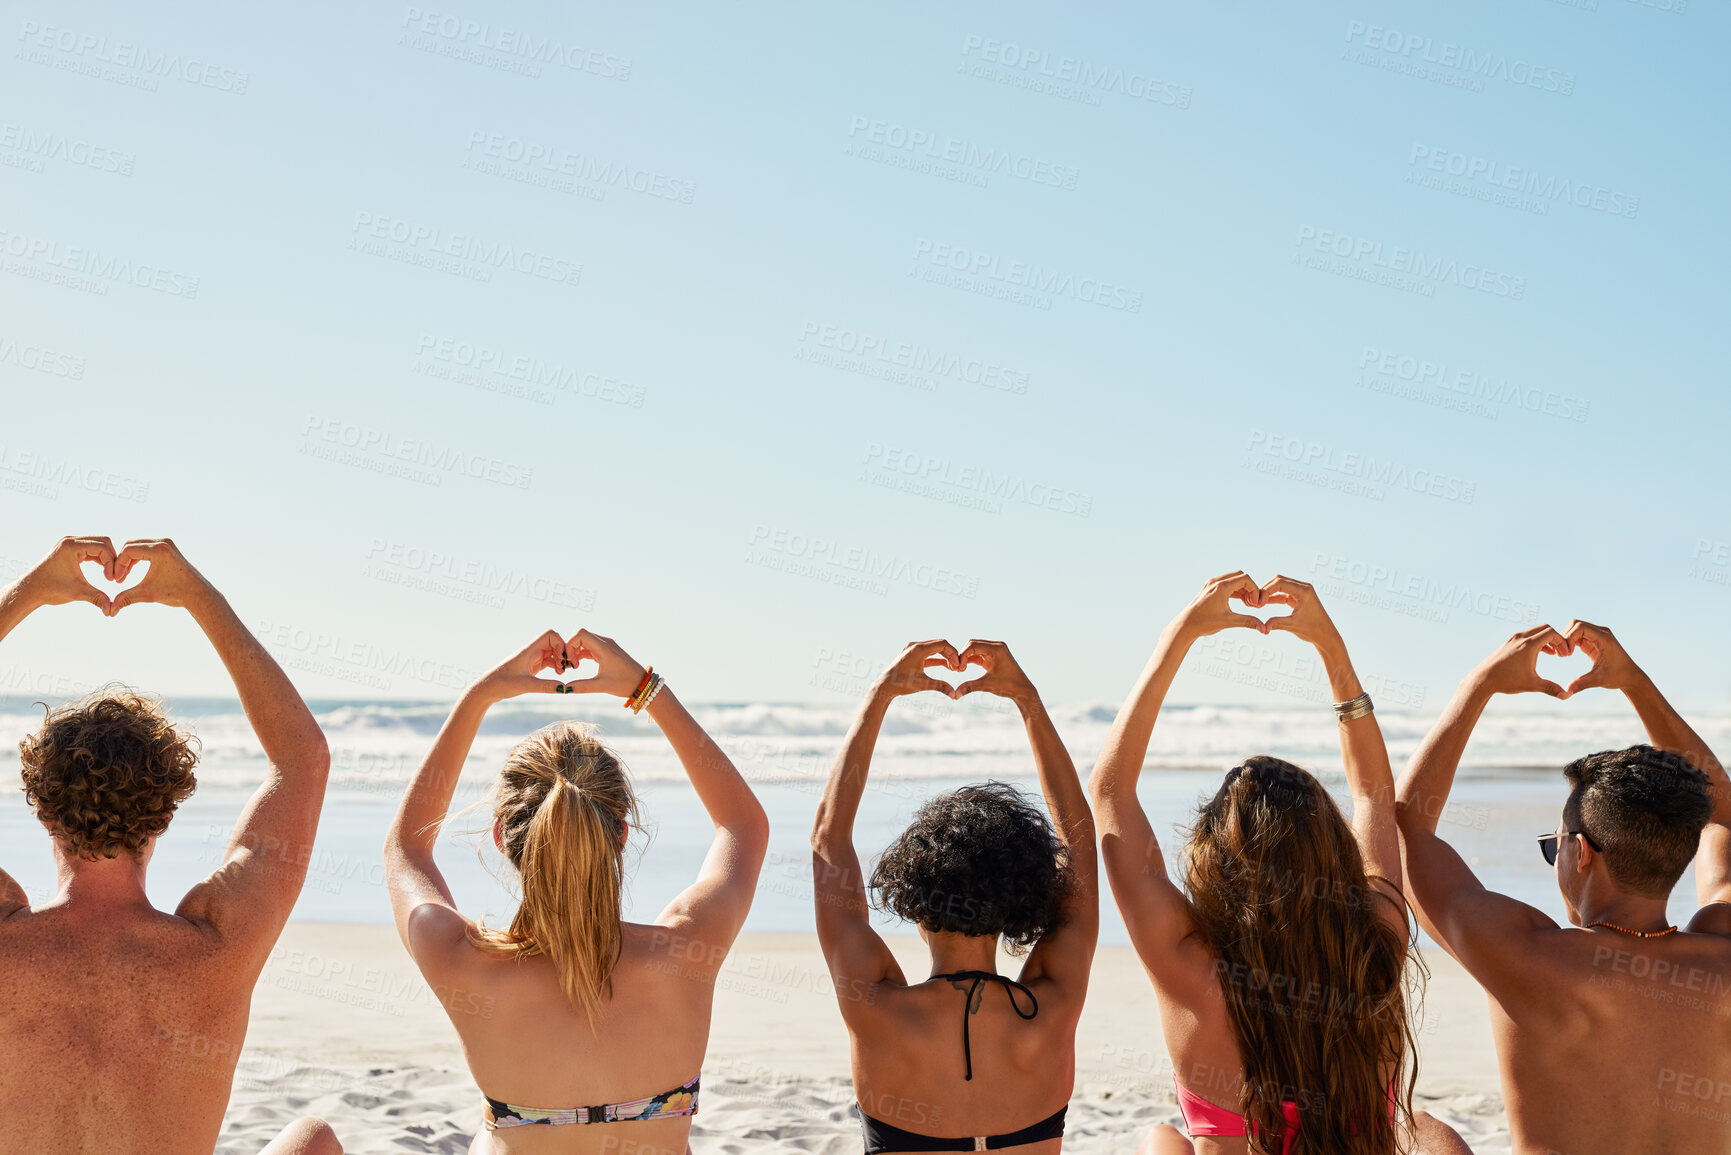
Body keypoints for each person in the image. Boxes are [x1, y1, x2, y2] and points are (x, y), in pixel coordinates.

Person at [1089, 572, 1469, 1155]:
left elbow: (1112, 793)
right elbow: (1373, 795)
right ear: (1331, 850)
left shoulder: (1187, 962)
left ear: (1214, 864)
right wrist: (1330, 649)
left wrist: (1180, 636)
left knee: (1160, 1139)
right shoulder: (1375, 940)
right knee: (1428, 1130)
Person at [0, 536, 340, 1155]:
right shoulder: (217, 946)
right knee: (312, 1139)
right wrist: (198, 598)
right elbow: (302, 758)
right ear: (163, 815)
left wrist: (29, 595)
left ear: (44, 812)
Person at [384, 628, 768, 1155]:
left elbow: (406, 848)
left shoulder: (460, 961)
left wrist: (482, 695)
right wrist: (644, 687)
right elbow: (743, 826)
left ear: (502, 838)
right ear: (622, 834)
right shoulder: (686, 952)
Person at [1395, 620, 1731, 1154]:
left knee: (1415, 1127)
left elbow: (1405, 832)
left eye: (1554, 845)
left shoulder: (1527, 955)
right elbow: (1722, 813)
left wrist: (1479, 684)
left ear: (1582, 853)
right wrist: (1633, 682)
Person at [811, 638, 1097, 1154]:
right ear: (1019, 902)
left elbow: (829, 837)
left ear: (916, 908)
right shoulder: (1054, 1004)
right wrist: (1026, 701)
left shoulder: (875, 1007)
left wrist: (881, 695)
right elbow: (1079, 842)